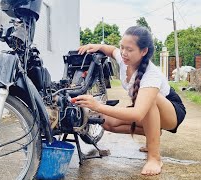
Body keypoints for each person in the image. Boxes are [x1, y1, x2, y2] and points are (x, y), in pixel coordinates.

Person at [75, 26, 186, 176]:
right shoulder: (124, 58)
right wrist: (97, 46)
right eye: (122, 47)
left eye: (129, 49)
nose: (124, 53)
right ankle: (153, 132)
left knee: (150, 101)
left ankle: (154, 157)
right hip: (145, 110)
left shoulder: (151, 74)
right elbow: (111, 50)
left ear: (143, 51)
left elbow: (137, 114)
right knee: (105, 121)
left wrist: (97, 106)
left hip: (171, 111)